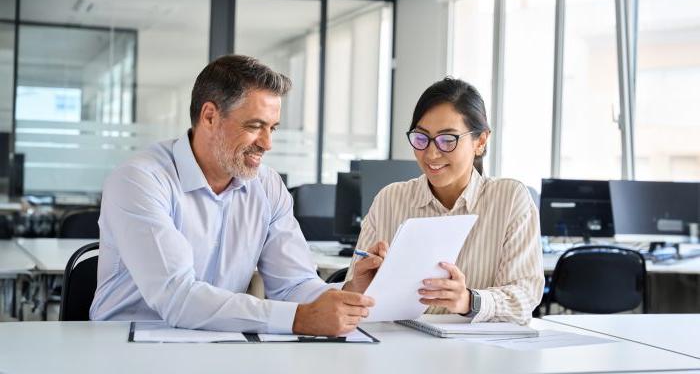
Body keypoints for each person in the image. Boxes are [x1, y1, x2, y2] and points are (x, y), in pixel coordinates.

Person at [90, 55, 384, 336]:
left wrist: (349, 297)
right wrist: (299, 318)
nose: (267, 144)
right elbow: (177, 297)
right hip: (127, 344)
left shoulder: (267, 186)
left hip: (217, 341)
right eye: (255, 126)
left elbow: (294, 283)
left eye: (273, 128)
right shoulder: (140, 180)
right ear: (209, 116)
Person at [347, 77, 544, 324]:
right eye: (421, 138)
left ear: (480, 142)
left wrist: (468, 301)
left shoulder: (510, 198)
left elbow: (524, 297)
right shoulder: (390, 199)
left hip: (477, 353)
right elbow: (353, 294)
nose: (431, 153)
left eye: (447, 139)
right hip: (397, 346)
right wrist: (358, 287)